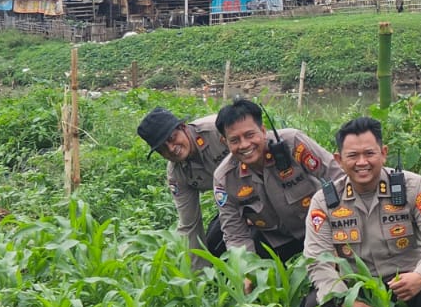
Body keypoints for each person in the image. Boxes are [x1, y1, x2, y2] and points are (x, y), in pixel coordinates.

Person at [302, 116, 421, 307]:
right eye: (352, 156)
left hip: (407, 286)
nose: (362, 162)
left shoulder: (412, 186)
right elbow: (317, 258)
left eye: (369, 153)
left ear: (383, 153)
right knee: (314, 306)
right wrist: (345, 300)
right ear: (338, 160)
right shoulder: (324, 201)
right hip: (358, 293)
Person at [210, 97, 342, 260]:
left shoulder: (293, 143)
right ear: (224, 142)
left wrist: (342, 232)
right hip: (276, 241)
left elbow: (338, 178)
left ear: (263, 130)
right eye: (235, 140)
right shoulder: (224, 178)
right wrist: (246, 268)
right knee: (215, 241)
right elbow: (235, 234)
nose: (244, 145)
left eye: (250, 135)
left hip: (319, 228)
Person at [137, 106, 229, 269]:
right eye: (163, 148)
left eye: (172, 138)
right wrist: (198, 276)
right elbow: (190, 225)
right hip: (232, 204)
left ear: (183, 127)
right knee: (214, 247)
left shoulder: (218, 130)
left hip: (266, 190)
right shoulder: (176, 173)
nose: (171, 149)